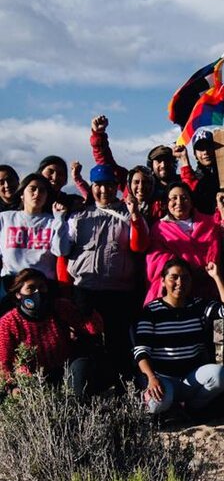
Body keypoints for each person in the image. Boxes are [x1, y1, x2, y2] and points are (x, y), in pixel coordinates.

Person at [66, 164, 149, 382]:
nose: (104, 191)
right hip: (84, 291)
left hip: (118, 291)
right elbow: (63, 252)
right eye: (99, 185)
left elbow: (139, 246)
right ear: (92, 186)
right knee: (85, 343)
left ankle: (122, 391)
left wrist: (135, 216)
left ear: (116, 187)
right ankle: (87, 392)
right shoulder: (79, 216)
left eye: (109, 185)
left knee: (118, 343)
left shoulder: (128, 213)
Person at [134, 259, 224, 416]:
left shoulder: (198, 306)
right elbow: (141, 351)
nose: (180, 282)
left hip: (190, 378)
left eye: (185, 278)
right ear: (163, 281)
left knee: (219, 375)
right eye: (174, 277)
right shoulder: (151, 311)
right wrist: (151, 378)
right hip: (162, 378)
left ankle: (190, 409)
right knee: (156, 405)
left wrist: (216, 276)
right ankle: (169, 408)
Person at [0, 269, 102, 397]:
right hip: (32, 377)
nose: (37, 292)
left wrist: (88, 312)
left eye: (41, 287)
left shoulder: (60, 307)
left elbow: (94, 329)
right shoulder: (9, 322)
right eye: (30, 288)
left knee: (81, 370)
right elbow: (4, 361)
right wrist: (11, 387)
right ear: (18, 294)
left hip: (64, 367)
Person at [143, 183, 224, 305]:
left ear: (191, 201)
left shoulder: (209, 223)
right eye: (173, 198)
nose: (179, 202)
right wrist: (188, 268)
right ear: (166, 203)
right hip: (177, 291)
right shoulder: (159, 228)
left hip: (209, 288)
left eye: (184, 198)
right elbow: (155, 260)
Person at [0, 174, 70, 293]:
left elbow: (61, 251)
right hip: (10, 283)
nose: (37, 193)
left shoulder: (53, 221)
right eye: (32, 189)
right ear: (22, 194)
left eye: (42, 191)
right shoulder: (5, 218)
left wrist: (59, 219)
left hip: (42, 285)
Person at [174, 130, 220, 215]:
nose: (205, 152)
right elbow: (189, 186)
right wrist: (183, 158)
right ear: (195, 154)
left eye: (208, 147)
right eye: (201, 149)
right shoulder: (195, 178)